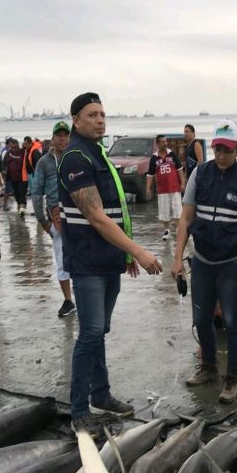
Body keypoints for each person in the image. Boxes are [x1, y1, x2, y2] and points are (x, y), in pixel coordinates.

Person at [59, 92, 162, 435]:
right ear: (76, 120)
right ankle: (78, 410)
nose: (100, 120)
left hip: (108, 260)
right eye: (92, 115)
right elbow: (97, 217)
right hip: (87, 262)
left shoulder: (97, 152)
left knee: (100, 330)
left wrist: (126, 253)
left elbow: (119, 209)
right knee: (89, 333)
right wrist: (142, 252)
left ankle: (101, 395)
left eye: (103, 114)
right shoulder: (75, 157)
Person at [171, 120, 237, 404]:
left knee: (234, 321)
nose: (222, 155)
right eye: (218, 148)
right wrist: (177, 260)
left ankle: (232, 378)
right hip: (202, 261)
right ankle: (209, 368)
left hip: (233, 263)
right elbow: (185, 218)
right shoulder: (200, 173)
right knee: (201, 318)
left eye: (228, 150)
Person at [32, 120, 76, 318]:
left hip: (77, 215)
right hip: (56, 217)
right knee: (61, 259)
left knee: (81, 256)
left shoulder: (75, 158)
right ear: (52, 138)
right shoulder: (44, 162)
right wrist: (45, 223)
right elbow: (36, 193)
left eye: (65, 135)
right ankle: (68, 300)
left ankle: (82, 294)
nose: (62, 139)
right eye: (58, 135)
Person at [146, 134, 185, 240]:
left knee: (177, 210)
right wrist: (148, 188)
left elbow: (179, 169)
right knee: (164, 212)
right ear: (157, 144)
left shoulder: (172, 154)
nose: (165, 143)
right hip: (162, 190)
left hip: (174, 188)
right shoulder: (154, 158)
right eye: (163, 142)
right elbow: (150, 174)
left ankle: (178, 229)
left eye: (166, 141)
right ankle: (167, 231)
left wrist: (183, 183)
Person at [4, 138, 27, 217]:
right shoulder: (8, 153)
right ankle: (20, 205)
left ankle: (22, 209)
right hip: (12, 178)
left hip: (22, 178)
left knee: (21, 193)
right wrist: (4, 172)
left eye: (15, 147)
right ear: (11, 146)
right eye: (12, 147)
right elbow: (4, 163)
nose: (14, 149)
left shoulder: (22, 152)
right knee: (16, 193)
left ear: (18, 145)